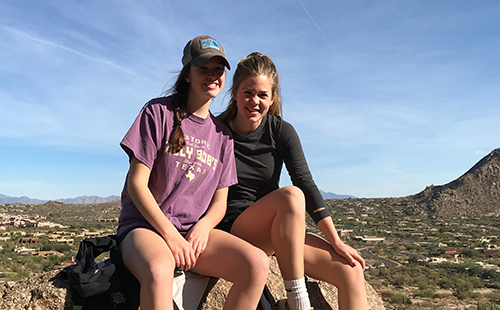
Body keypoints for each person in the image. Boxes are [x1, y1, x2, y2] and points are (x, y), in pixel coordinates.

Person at [117, 36, 269, 310]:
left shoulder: (223, 136)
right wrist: (170, 236)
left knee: (256, 264)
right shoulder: (158, 112)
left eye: (218, 70)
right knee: (159, 270)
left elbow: (220, 202)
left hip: (192, 233)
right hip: (145, 228)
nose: (212, 76)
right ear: (187, 74)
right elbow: (136, 183)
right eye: (203, 69)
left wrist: (203, 227)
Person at [217, 52, 369, 310]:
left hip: (277, 229)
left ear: (272, 98)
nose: (255, 101)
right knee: (290, 196)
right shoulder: (216, 130)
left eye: (263, 95)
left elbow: (306, 183)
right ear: (234, 92)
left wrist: (335, 240)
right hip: (234, 227)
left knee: (350, 270)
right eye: (248, 92)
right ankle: (298, 303)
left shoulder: (280, 131)